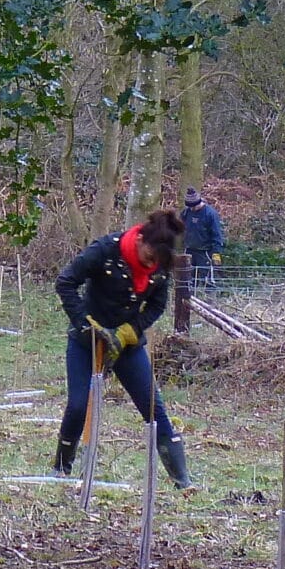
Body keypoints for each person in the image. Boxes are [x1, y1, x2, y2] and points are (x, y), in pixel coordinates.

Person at [52, 208, 190, 486]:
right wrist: (85, 323)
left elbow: (157, 305)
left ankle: (183, 480)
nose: (152, 264)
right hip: (87, 341)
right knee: (78, 406)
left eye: (158, 261)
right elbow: (65, 282)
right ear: (140, 240)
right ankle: (61, 468)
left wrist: (130, 331)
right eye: (149, 257)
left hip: (127, 346)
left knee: (154, 409)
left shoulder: (160, 267)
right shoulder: (104, 250)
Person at [181, 187, 225, 289]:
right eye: (190, 207)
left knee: (208, 280)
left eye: (193, 206)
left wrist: (216, 254)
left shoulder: (210, 214)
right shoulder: (186, 213)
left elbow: (217, 235)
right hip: (189, 251)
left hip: (205, 252)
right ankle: (190, 297)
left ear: (199, 202)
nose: (192, 209)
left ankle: (209, 298)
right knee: (188, 280)